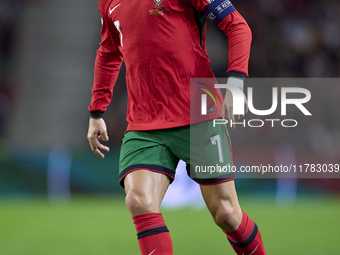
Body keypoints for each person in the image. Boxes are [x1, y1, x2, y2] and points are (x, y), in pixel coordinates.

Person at [87, 0, 266, 254]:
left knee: (226, 213)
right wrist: (96, 111)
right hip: (144, 123)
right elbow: (108, 52)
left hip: (198, 114)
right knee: (139, 199)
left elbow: (237, 26)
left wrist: (236, 83)